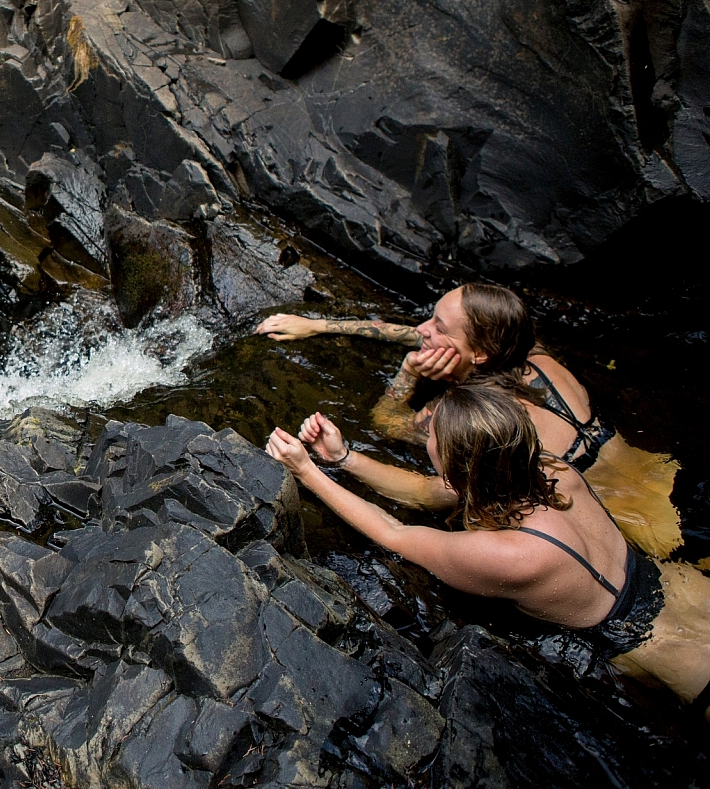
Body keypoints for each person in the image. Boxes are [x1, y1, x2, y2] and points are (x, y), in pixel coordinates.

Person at [265, 385, 710, 721]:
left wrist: (305, 471)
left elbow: (394, 531)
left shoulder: (513, 556)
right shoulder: (552, 468)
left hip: (665, 655)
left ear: (458, 466)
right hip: (683, 587)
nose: (426, 437)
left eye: (432, 436)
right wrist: (343, 458)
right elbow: (428, 490)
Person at [254, 284, 682, 557]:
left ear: (478, 354)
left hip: (634, 525)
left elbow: (392, 433)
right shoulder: (534, 354)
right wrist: (317, 325)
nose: (422, 328)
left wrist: (408, 373)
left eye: (438, 325)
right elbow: (415, 333)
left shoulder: (471, 418)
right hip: (659, 480)